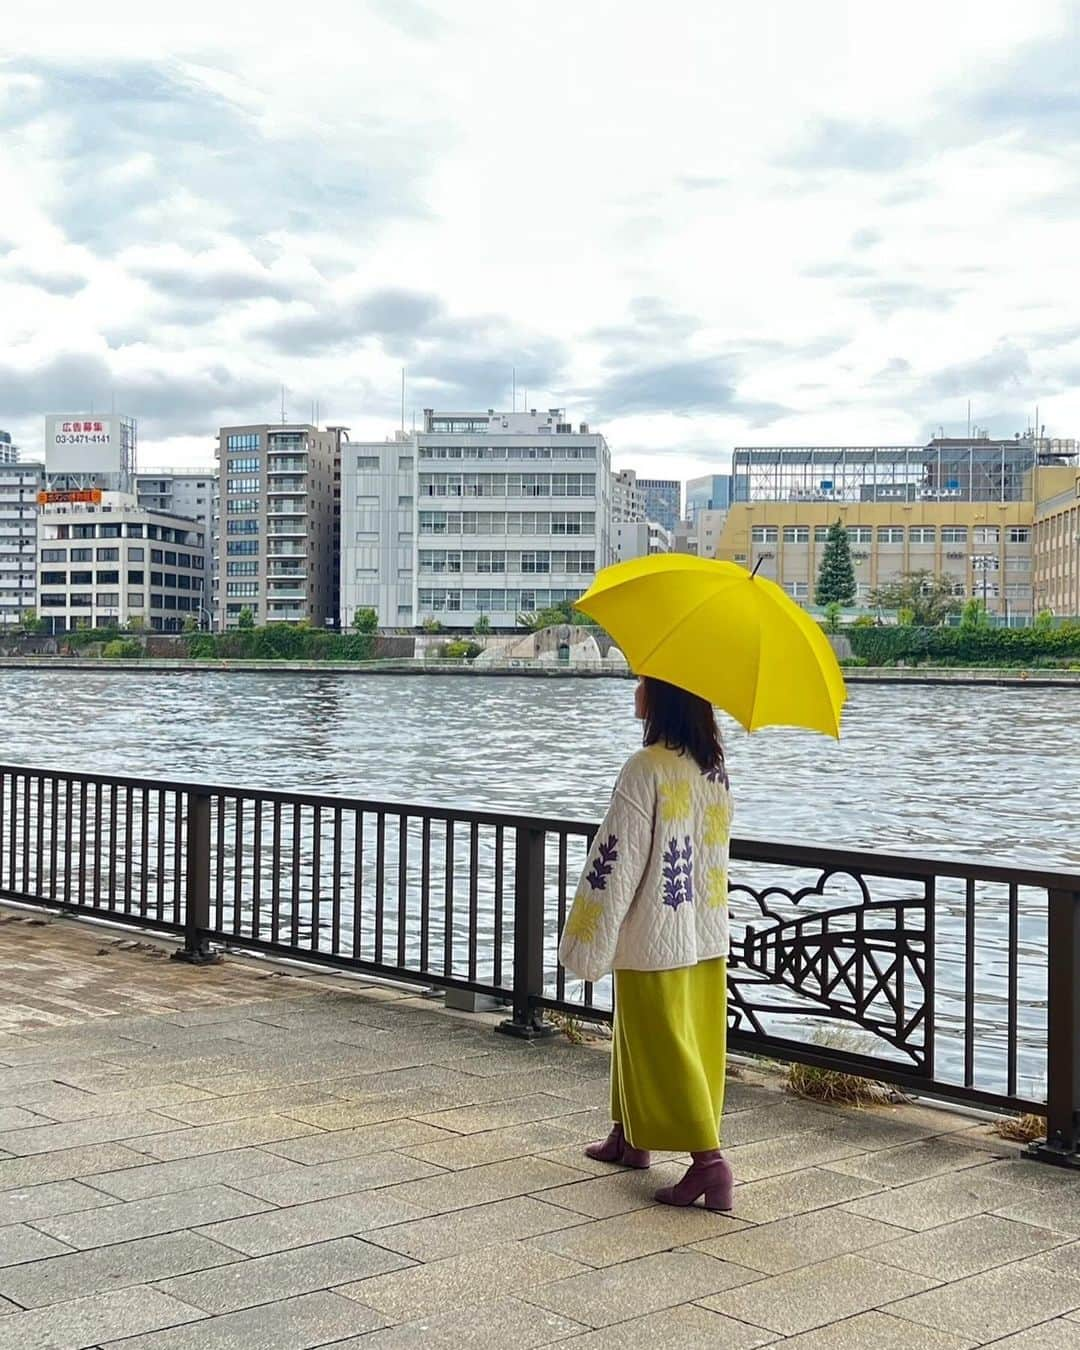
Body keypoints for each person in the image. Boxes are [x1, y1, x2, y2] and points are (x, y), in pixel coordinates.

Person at [558, 675, 734, 1211]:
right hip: (704, 930)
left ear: (664, 697)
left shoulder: (645, 768)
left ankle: (710, 1164)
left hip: (654, 931)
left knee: (661, 1046)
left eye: (643, 682)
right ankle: (630, 1136)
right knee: (660, 1038)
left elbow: (614, 861)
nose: (635, 690)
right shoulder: (712, 769)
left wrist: (586, 938)